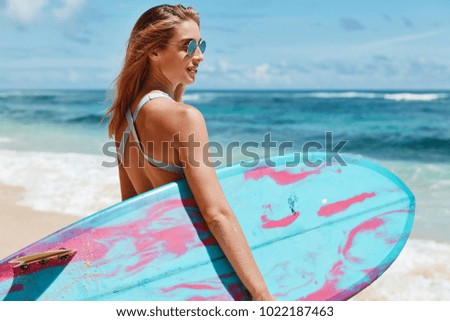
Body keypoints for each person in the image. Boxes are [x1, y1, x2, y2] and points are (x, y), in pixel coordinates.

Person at [104, 4, 275, 301]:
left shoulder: (121, 123)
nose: (200, 55)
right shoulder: (185, 118)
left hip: (170, 277)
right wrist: (262, 296)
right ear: (154, 51)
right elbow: (216, 215)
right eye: (189, 46)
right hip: (206, 271)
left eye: (201, 44)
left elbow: (133, 212)